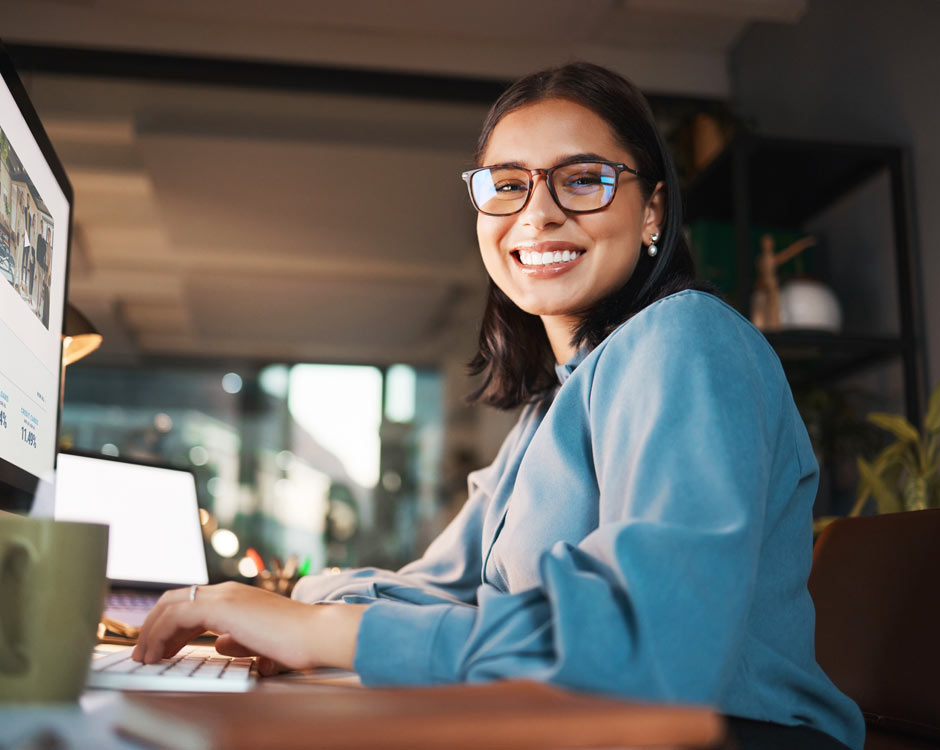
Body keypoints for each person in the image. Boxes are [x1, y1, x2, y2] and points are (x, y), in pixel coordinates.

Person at [134, 62, 864, 749]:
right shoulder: (551, 406)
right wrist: (301, 605)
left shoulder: (687, 339)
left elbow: (652, 651)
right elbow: (434, 589)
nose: (537, 214)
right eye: (507, 184)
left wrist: (319, 631)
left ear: (653, 212)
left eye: (583, 180)